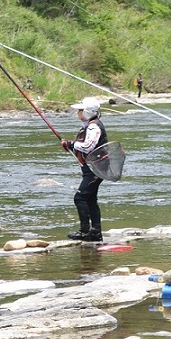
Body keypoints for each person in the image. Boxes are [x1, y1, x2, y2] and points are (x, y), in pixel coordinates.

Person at [60, 97, 108, 243]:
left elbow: (88, 146)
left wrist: (70, 144)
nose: (78, 112)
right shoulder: (89, 125)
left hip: (95, 169)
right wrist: (71, 145)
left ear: (87, 112)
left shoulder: (94, 127)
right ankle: (96, 233)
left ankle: (85, 232)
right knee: (91, 199)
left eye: (80, 110)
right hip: (93, 168)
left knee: (80, 198)